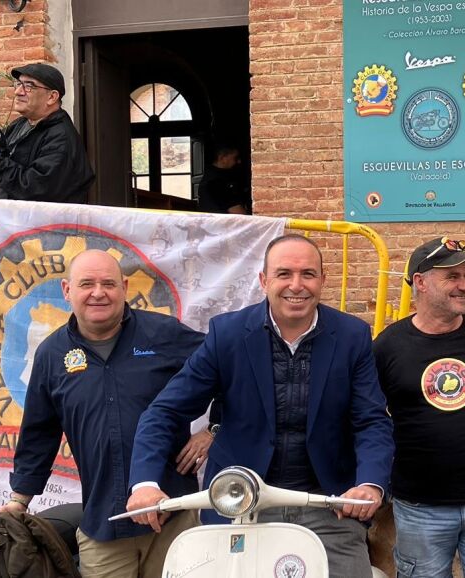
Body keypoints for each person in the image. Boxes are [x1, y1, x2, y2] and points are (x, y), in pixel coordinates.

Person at [126, 234, 394, 577]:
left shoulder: (351, 335)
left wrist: (370, 483)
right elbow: (166, 411)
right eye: (284, 274)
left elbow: (371, 421)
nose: (296, 285)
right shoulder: (228, 334)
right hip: (240, 502)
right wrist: (145, 484)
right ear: (264, 280)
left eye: (308, 274)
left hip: (328, 505)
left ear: (322, 280)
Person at [1, 250, 207, 578]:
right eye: (87, 284)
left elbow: (227, 368)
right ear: (67, 290)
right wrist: (19, 501)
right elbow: (39, 434)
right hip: (104, 525)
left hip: (174, 518)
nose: (98, 293)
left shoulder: (163, 334)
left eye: (108, 284)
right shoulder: (52, 354)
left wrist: (214, 429)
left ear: (124, 287)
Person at [373, 238, 465, 577]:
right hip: (420, 506)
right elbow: (371, 418)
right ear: (420, 282)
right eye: (452, 276)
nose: (464, 285)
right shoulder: (388, 346)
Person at [0, 63, 95, 203]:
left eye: (29, 86)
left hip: (36, 217)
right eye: (18, 84)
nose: (18, 91)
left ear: (52, 97)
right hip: (2, 214)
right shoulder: (19, 125)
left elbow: (36, 189)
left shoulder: (61, 137)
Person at [196, 145, 250, 214]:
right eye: (235, 158)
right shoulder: (216, 181)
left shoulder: (214, 176)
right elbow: (239, 213)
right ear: (222, 158)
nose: (239, 161)